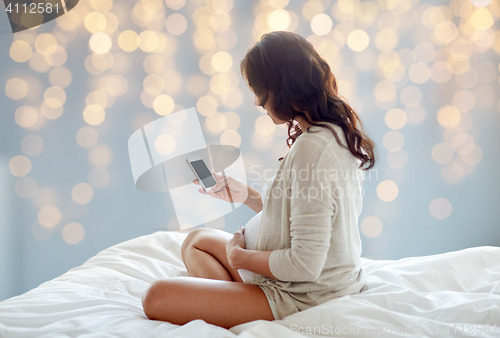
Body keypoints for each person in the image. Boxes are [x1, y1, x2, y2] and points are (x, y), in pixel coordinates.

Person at [141, 30, 377, 329]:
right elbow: (305, 213)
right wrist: (246, 195)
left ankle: (235, 307)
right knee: (196, 241)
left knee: (156, 297)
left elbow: (304, 264)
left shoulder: (312, 150)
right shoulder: (332, 130)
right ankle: (231, 303)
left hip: (302, 292)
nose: (257, 101)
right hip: (309, 278)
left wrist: (239, 257)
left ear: (279, 87)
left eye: (258, 89)